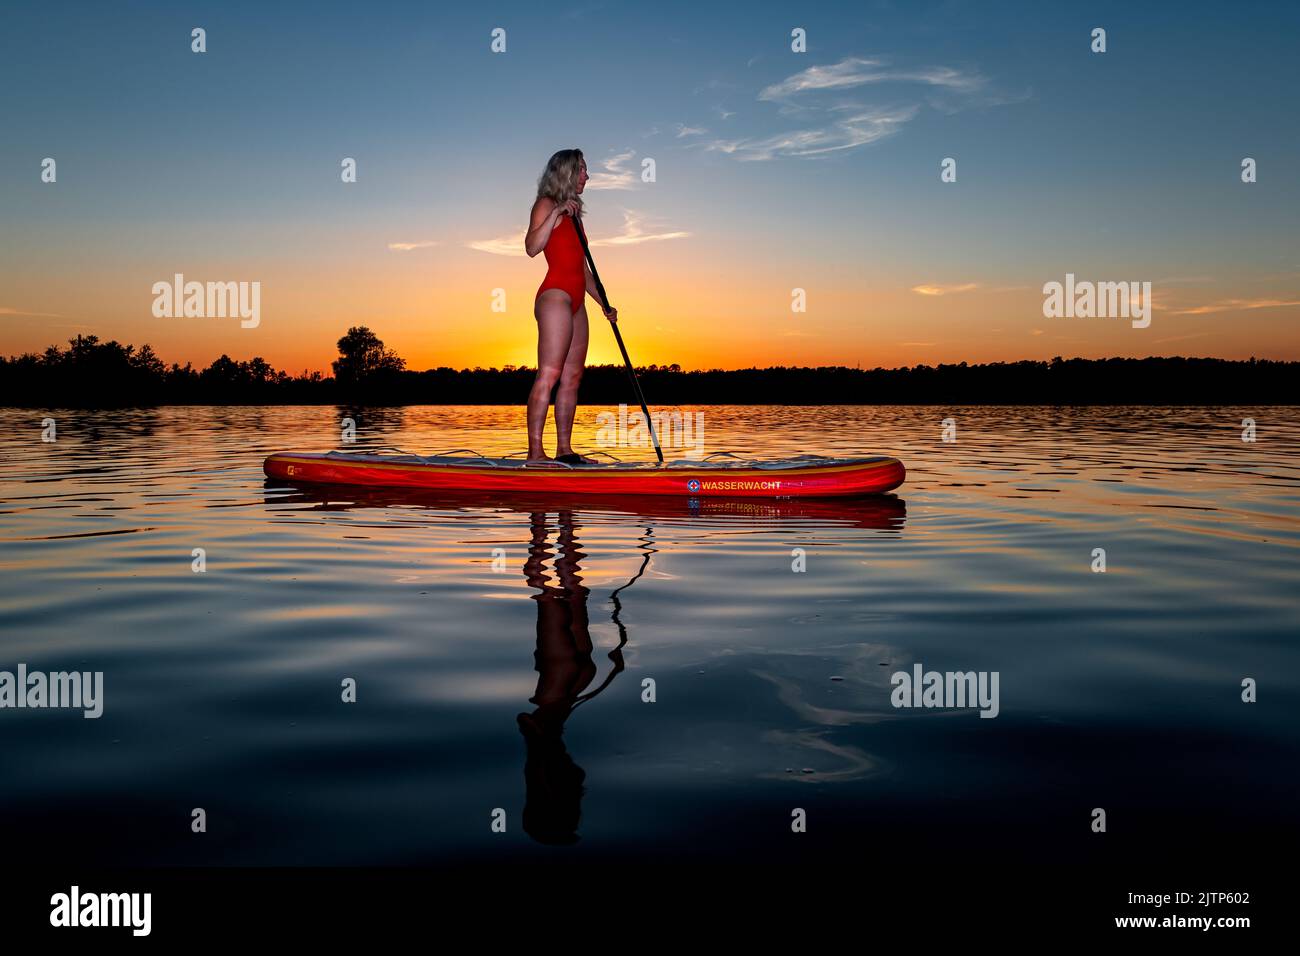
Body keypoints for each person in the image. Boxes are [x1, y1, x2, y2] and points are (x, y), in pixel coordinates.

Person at [524, 148, 617, 463]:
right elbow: (532, 248)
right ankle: (536, 454)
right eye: (582, 170)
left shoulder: (576, 217)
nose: (586, 176)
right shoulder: (546, 205)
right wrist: (555, 214)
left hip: (578, 299)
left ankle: (565, 452)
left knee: (573, 377)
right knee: (549, 373)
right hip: (555, 296)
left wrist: (605, 304)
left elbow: (583, 271)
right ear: (565, 171)